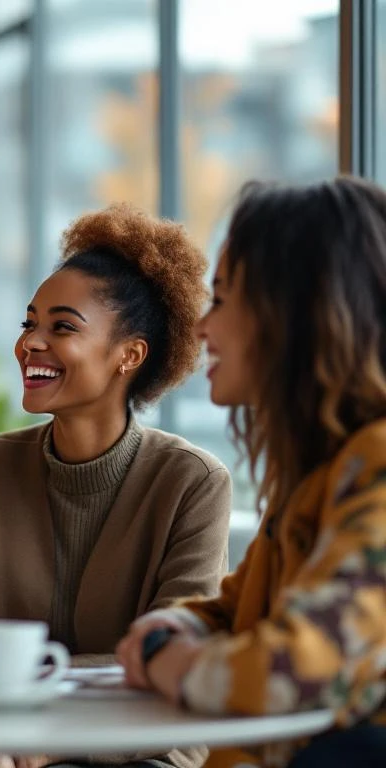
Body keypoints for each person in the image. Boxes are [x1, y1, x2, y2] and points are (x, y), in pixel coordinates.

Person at [0, 204, 232, 768]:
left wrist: (43, 736)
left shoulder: (192, 482)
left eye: (62, 327)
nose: (31, 343)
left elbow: (171, 656)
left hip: (137, 746)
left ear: (129, 356)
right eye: (29, 323)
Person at [116, 177, 386, 768]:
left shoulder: (379, 463)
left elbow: (306, 667)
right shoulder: (319, 472)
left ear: (293, 310)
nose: (201, 327)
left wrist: (168, 658)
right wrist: (168, 626)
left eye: (221, 298)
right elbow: (235, 614)